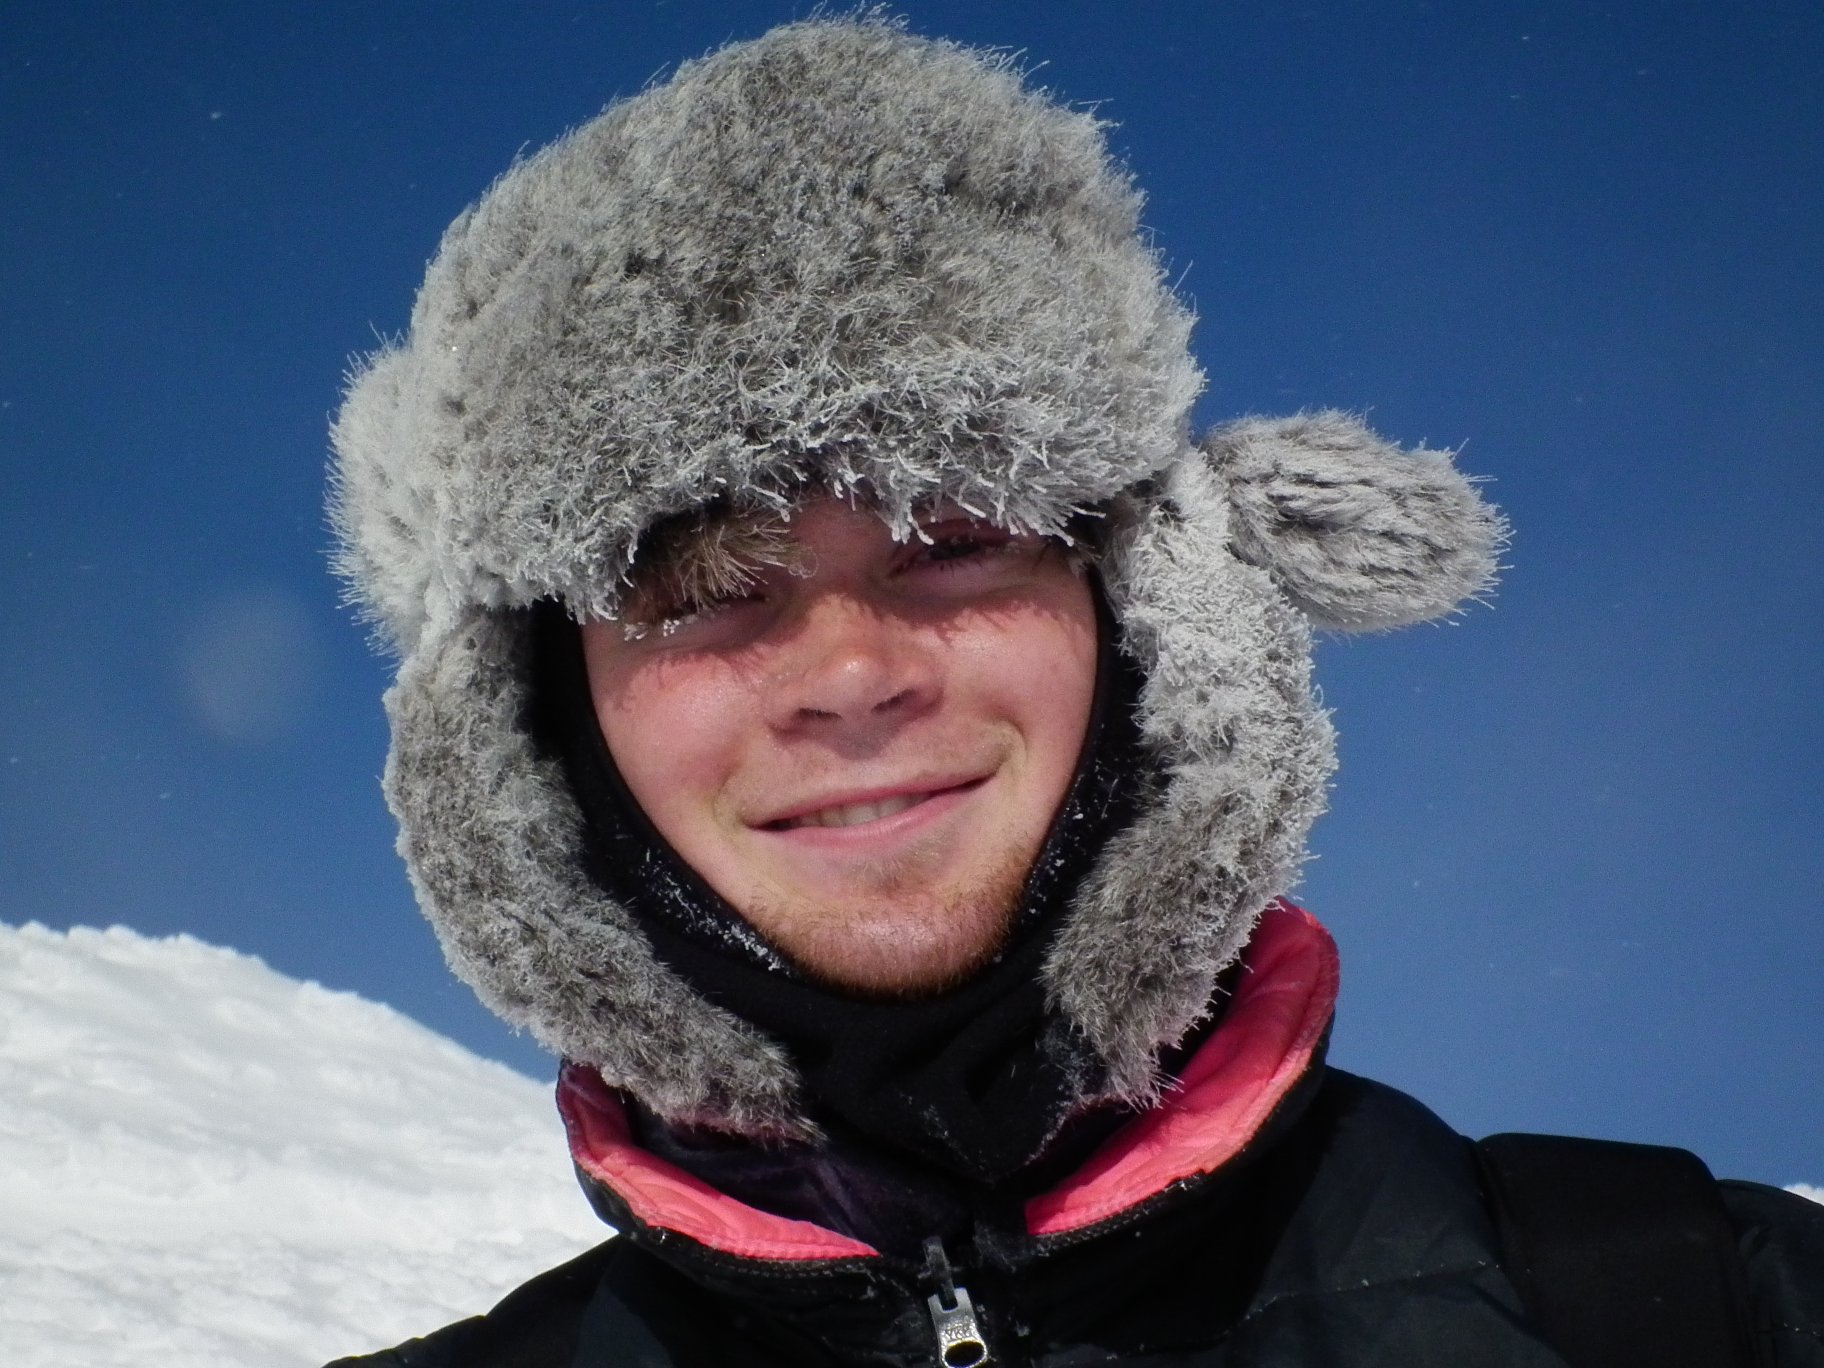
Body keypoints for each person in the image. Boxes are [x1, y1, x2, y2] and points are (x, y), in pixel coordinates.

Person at [324, 17, 1823, 1367]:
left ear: (1145, 609)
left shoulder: (1700, 1306)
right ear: (538, 723)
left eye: (958, 541)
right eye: (706, 588)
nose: (853, 673)